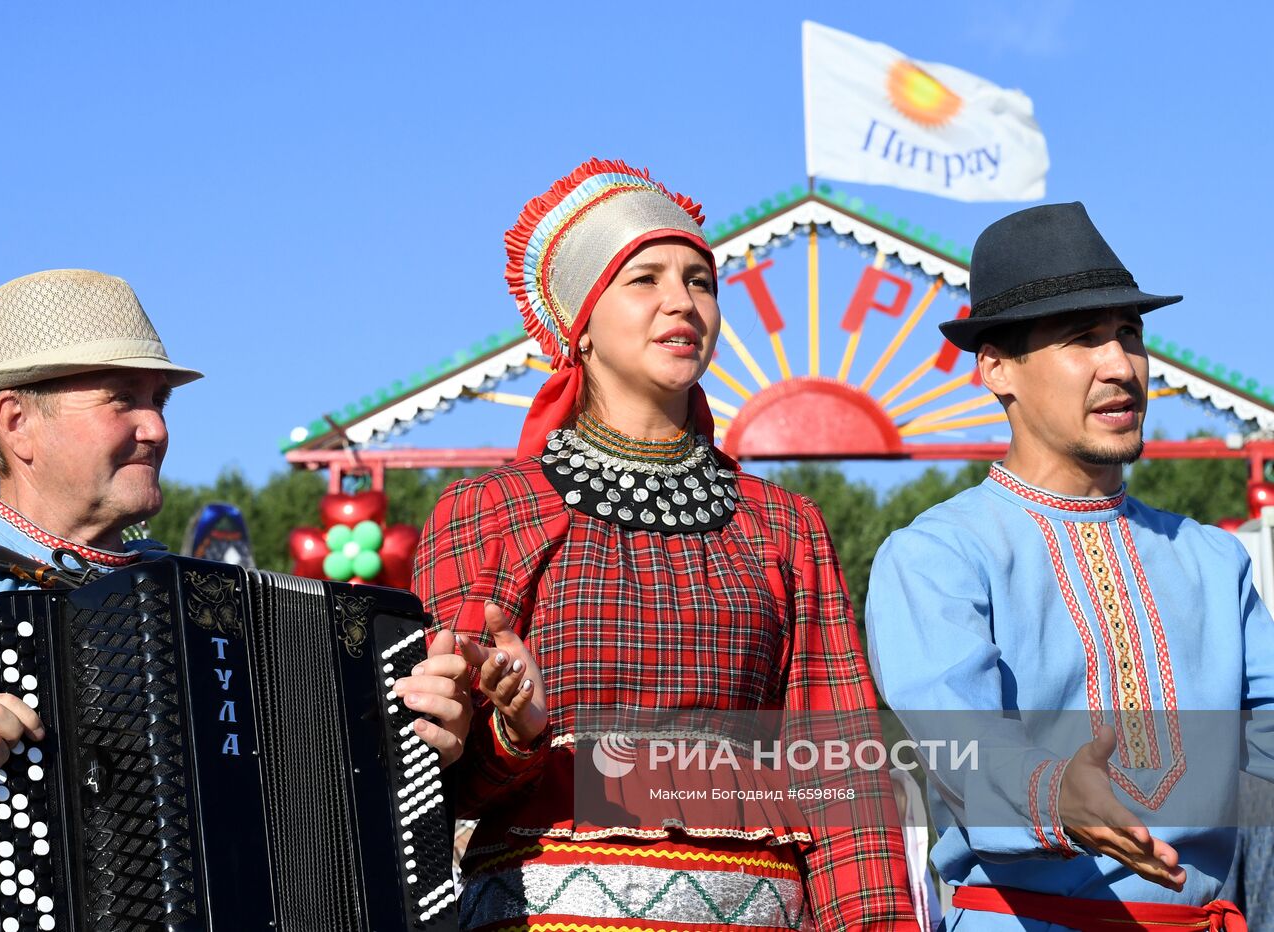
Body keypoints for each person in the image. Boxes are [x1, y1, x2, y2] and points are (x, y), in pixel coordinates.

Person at [0, 269, 472, 930]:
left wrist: (415, 748)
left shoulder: (218, 607)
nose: (156, 428)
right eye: (122, 400)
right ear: (18, 423)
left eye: (159, 400)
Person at [414, 159, 918, 932]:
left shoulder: (785, 526)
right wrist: (518, 732)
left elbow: (842, 772)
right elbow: (433, 779)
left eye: (701, 281)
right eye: (643, 279)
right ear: (578, 327)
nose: (682, 301)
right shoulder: (491, 509)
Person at [865, 203, 1274, 930]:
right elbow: (963, 746)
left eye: (1130, 334)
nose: (1121, 366)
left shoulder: (1214, 561)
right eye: (1083, 339)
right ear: (996, 367)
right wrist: (1055, 794)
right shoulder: (935, 558)